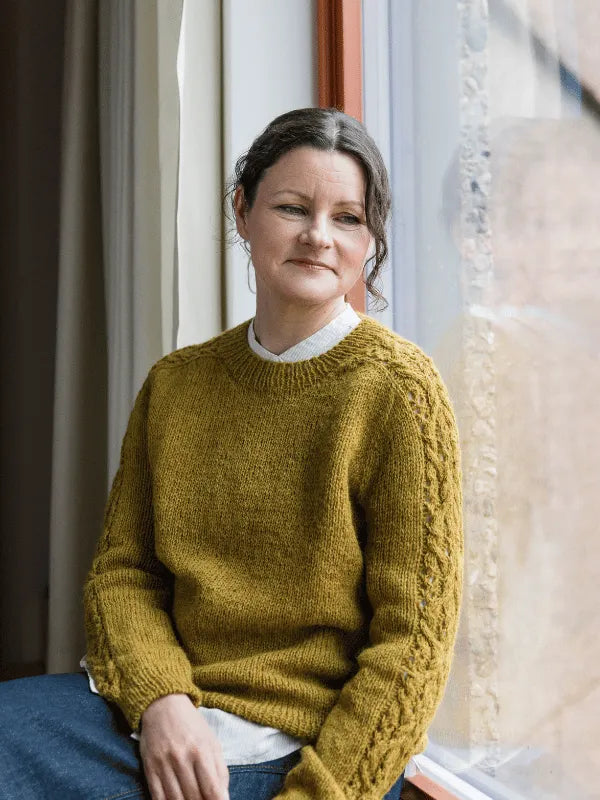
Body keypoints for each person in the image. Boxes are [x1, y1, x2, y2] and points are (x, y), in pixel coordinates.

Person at [0, 107, 463, 800]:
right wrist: (161, 702)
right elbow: (124, 575)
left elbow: (412, 648)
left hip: (298, 752)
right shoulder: (176, 384)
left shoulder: (401, 392)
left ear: (369, 241)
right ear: (242, 211)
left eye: (347, 218)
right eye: (292, 207)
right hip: (157, 723)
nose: (317, 235)